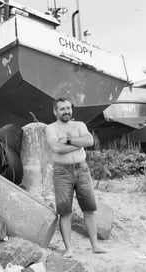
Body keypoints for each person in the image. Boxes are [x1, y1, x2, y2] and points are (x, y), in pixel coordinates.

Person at [44, 98, 106, 257]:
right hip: (62, 172)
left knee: (89, 208)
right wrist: (80, 143)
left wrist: (69, 140)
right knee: (64, 212)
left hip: (82, 169)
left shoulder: (79, 125)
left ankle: (95, 246)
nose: (66, 111)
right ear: (55, 111)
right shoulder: (50, 128)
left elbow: (90, 140)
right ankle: (69, 249)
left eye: (68, 108)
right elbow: (57, 148)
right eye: (62, 109)